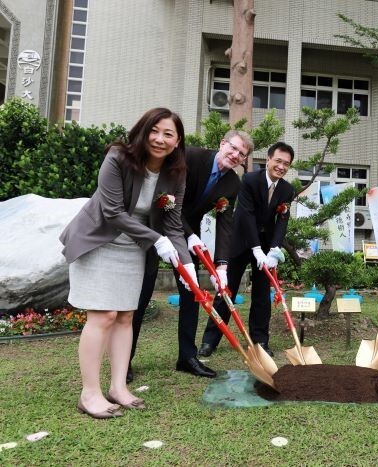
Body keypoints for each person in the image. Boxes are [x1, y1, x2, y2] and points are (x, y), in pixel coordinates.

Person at [60, 108, 191, 418]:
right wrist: (157, 241)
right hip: (99, 241)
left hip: (134, 248)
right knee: (104, 315)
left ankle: (118, 387)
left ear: (177, 140)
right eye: (154, 131)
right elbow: (113, 213)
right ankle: (89, 393)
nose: (160, 139)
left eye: (168, 134)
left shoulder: (176, 173)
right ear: (143, 131)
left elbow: (173, 226)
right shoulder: (118, 157)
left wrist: (185, 267)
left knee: (125, 316)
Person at [128, 130, 253, 382]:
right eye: (233, 148)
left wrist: (222, 266)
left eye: (242, 154)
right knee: (142, 294)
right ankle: (126, 358)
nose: (236, 155)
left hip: (186, 237)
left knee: (192, 294)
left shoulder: (232, 184)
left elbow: (225, 224)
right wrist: (188, 233)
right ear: (222, 143)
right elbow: (165, 199)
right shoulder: (192, 157)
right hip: (155, 227)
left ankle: (187, 356)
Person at [198, 142, 295, 357]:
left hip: (267, 248)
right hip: (241, 242)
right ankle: (210, 340)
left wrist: (274, 250)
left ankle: (260, 341)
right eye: (278, 161)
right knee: (226, 291)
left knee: (262, 296)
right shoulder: (250, 179)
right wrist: (256, 249)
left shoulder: (287, 189)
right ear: (268, 160)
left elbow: (282, 221)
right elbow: (246, 215)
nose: (281, 166)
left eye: (286, 164)